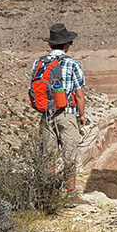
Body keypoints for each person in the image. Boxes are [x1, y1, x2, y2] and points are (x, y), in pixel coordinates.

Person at [31, 23, 86, 193]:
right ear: (68, 44)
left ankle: (49, 193)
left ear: (50, 44)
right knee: (70, 154)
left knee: (49, 156)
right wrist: (81, 115)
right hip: (66, 114)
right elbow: (79, 95)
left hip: (46, 114)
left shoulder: (38, 63)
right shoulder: (72, 64)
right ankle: (70, 192)